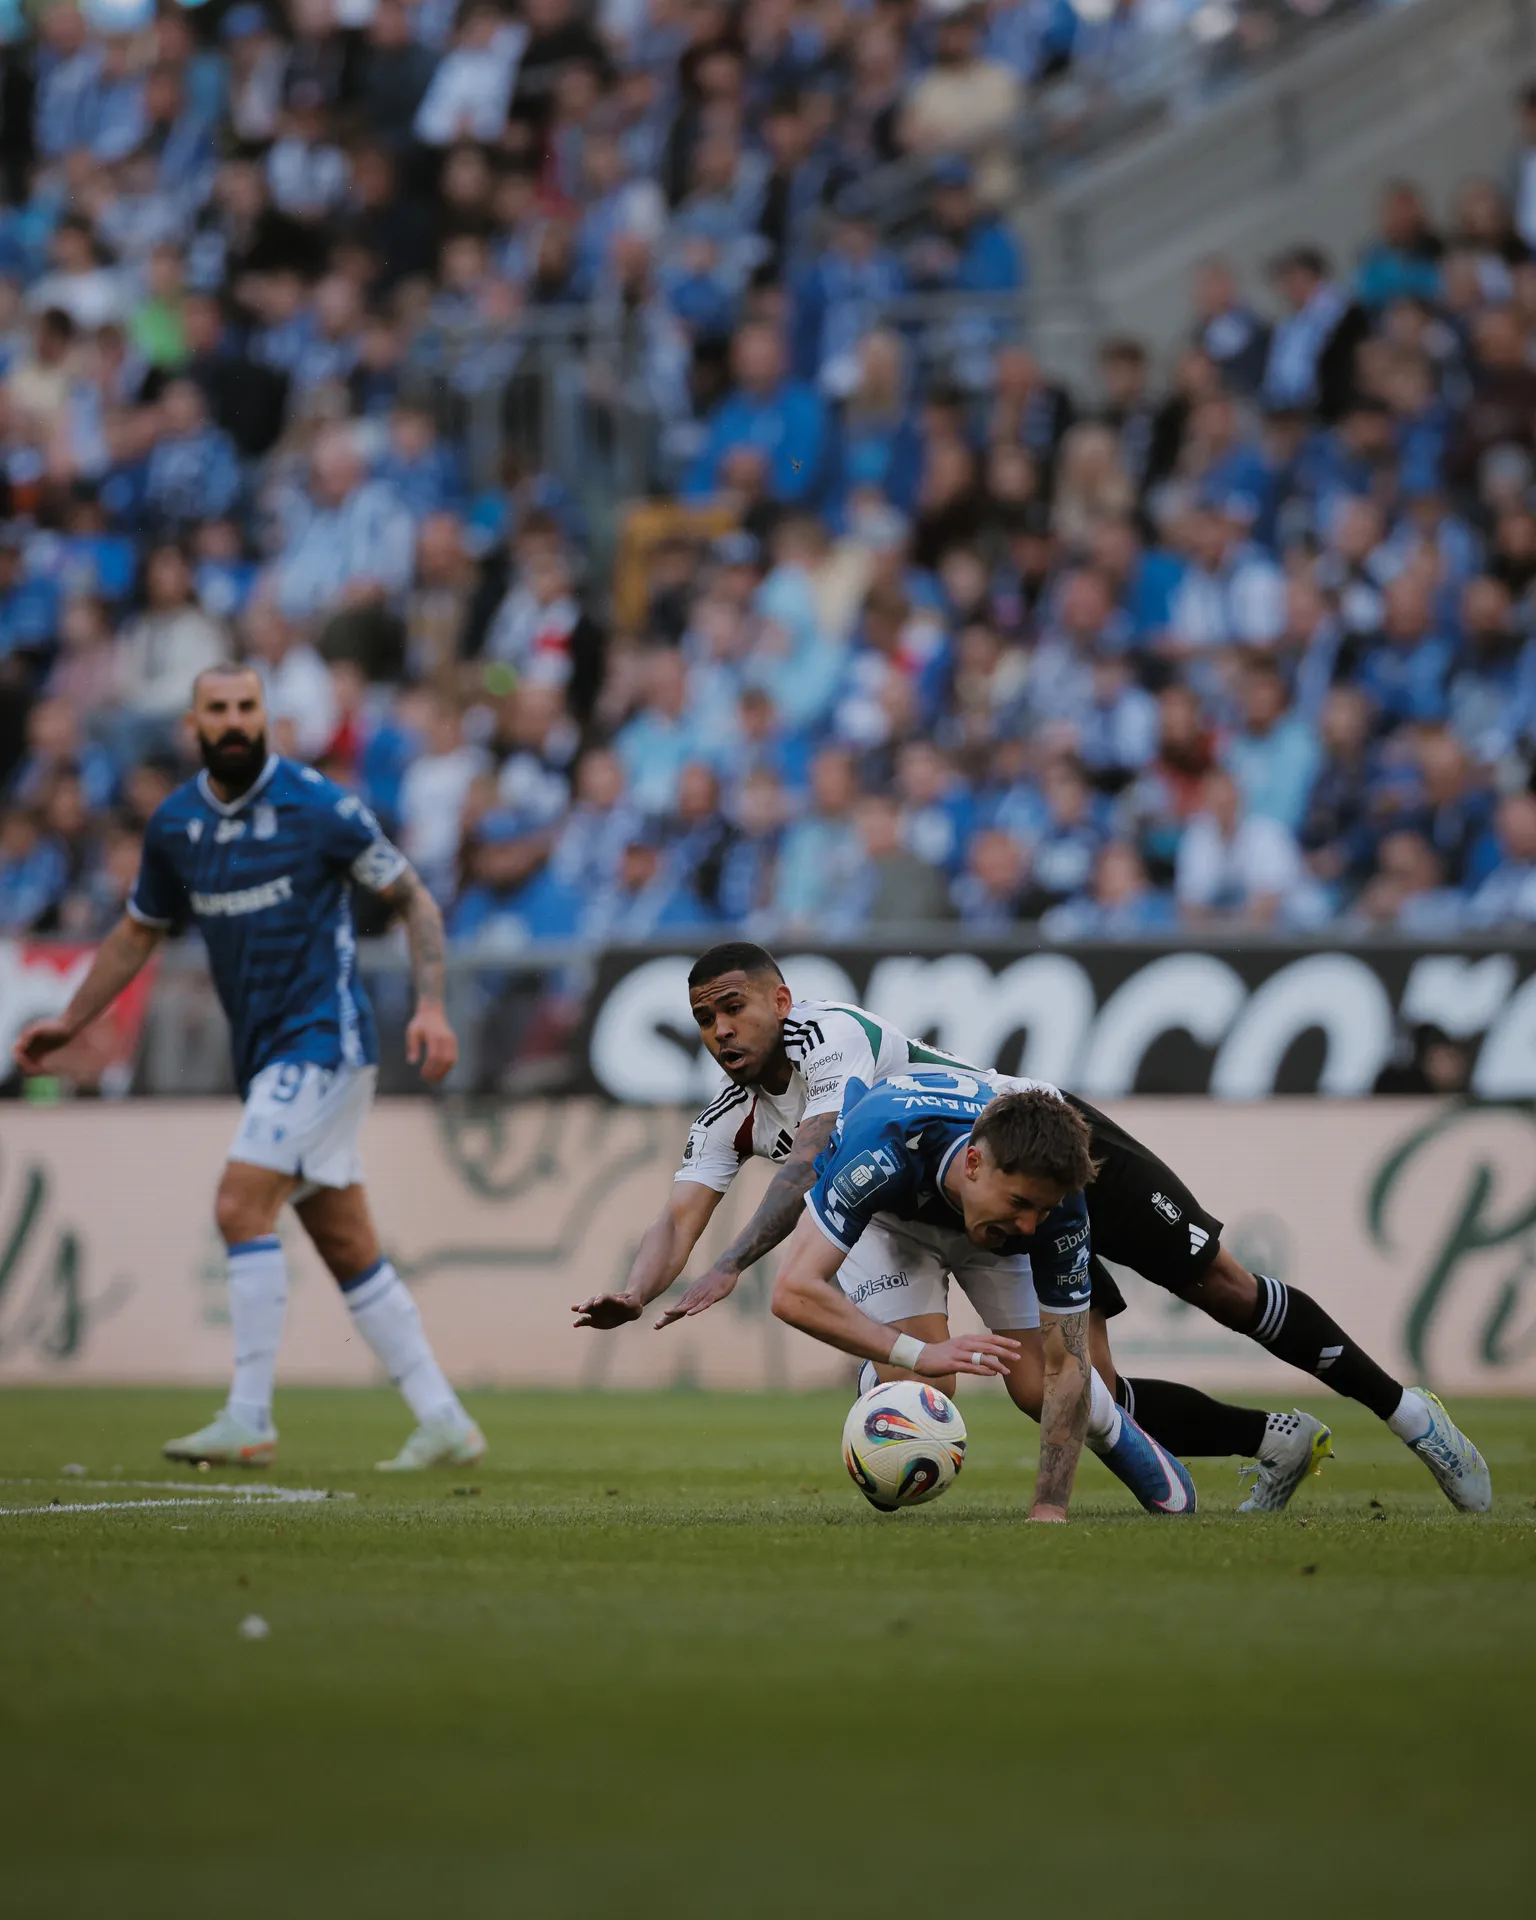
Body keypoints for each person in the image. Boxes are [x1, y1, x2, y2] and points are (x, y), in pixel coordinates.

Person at [573, 943, 1492, 1515]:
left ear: (780, 997)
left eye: (733, 1006)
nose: (720, 1029)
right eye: (703, 1019)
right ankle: (1275, 1441)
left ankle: (1412, 1418)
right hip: (962, 1206)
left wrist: (734, 1263)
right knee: (1077, 1391)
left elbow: (816, 1154)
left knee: (1227, 1289)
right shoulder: (728, 1115)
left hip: (1043, 1145)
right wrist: (637, 1288)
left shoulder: (832, 1036)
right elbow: (675, 1214)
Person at [12, 666, 485, 1474]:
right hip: (266, 1054)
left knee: (239, 1204)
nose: (234, 722)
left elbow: (413, 898)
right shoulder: (176, 825)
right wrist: (72, 1019)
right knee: (344, 1243)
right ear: (193, 724)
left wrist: (431, 1004)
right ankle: (444, 1419)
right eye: (218, 710)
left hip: (325, 1041)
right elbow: (136, 932)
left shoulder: (320, 808)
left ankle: (249, 1416)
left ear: (266, 717)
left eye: (247, 708)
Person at [773, 1074, 1197, 1522]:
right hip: (890, 1221)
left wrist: (1049, 1507)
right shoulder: (883, 1145)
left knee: (1039, 1387)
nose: (1033, 1224)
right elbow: (793, 1292)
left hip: (992, 1235)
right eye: (1020, 1202)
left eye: (1043, 1210)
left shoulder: (1055, 1206)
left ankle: (1118, 1434)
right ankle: (881, 1374)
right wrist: (919, 1353)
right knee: (927, 1388)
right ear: (973, 1163)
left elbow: (1067, 1361)